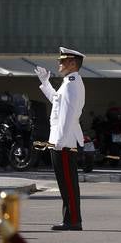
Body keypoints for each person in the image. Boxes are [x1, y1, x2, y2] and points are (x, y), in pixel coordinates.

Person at [35, 46, 86, 231]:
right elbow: (57, 101)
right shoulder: (68, 83)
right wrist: (45, 83)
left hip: (64, 142)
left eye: (63, 60)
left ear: (73, 63)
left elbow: (68, 115)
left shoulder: (72, 84)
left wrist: (59, 143)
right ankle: (71, 219)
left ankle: (73, 221)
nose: (59, 63)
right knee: (65, 183)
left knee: (68, 184)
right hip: (60, 140)